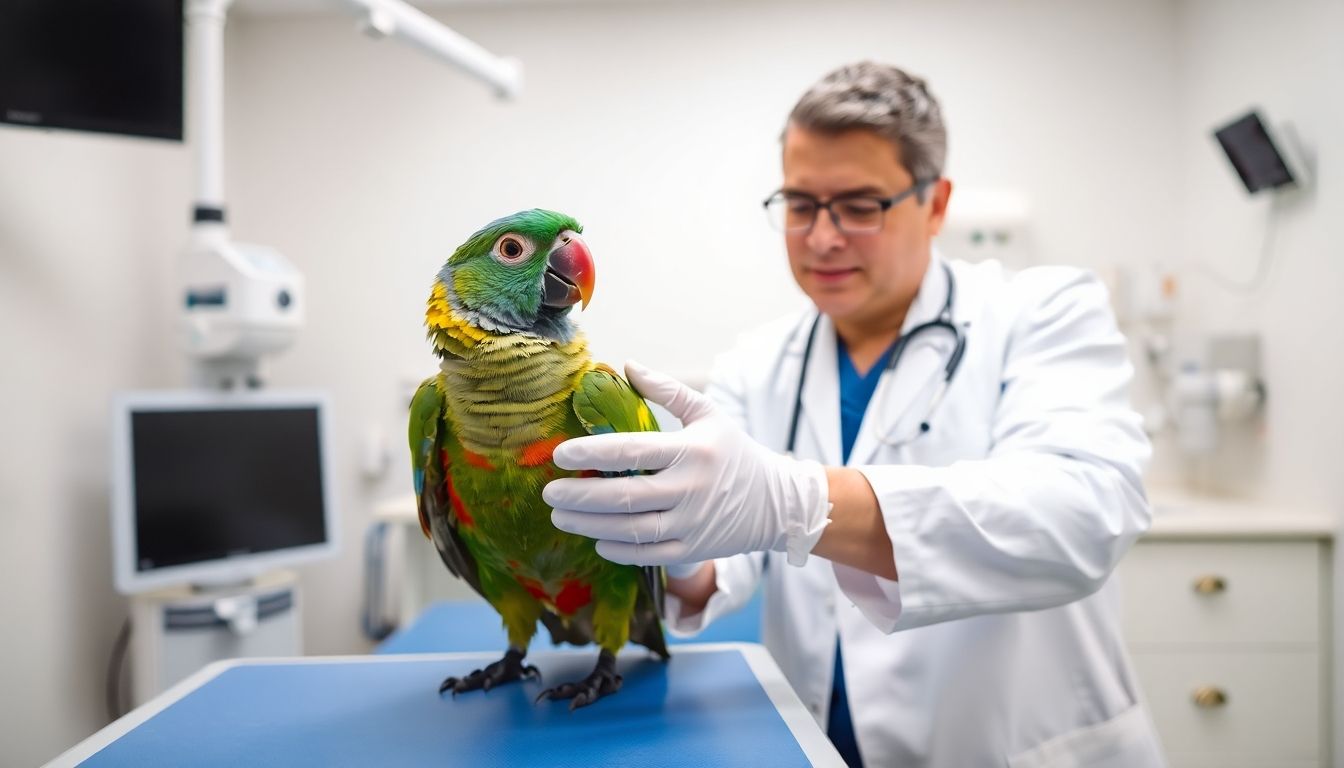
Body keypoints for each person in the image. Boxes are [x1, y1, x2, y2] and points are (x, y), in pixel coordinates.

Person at [544, 61, 1165, 767]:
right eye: (801, 204)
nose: (823, 237)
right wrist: (668, 540)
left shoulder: (1042, 312)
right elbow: (730, 555)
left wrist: (802, 501)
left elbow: (1083, 515)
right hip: (818, 742)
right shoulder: (760, 360)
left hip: (1010, 745)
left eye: (860, 206)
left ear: (935, 205)